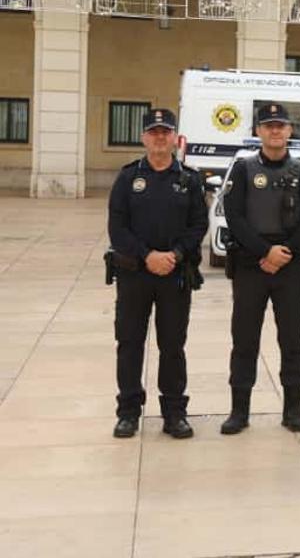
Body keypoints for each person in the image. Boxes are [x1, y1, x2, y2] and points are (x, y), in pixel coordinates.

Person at [219, 102, 300, 433]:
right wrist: (265, 251)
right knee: (244, 340)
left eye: (280, 125)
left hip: (291, 266)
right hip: (251, 264)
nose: (275, 131)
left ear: (290, 130)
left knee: (292, 341)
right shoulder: (243, 169)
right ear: (258, 131)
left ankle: (293, 410)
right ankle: (239, 411)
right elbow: (234, 217)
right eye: (268, 126)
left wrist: (284, 252)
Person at [107, 108, 207, 439]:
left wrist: (175, 255)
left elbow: (198, 225)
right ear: (144, 138)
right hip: (134, 274)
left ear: (175, 138)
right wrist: (147, 255)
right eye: (154, 132)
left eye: (166, 132)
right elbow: (117, 228)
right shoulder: (127, 178)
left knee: (173, 345)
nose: (160, 138)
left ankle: (174, 413)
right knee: (129, 343)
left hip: (175, 275)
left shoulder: (189, 180)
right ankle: (128, 413)